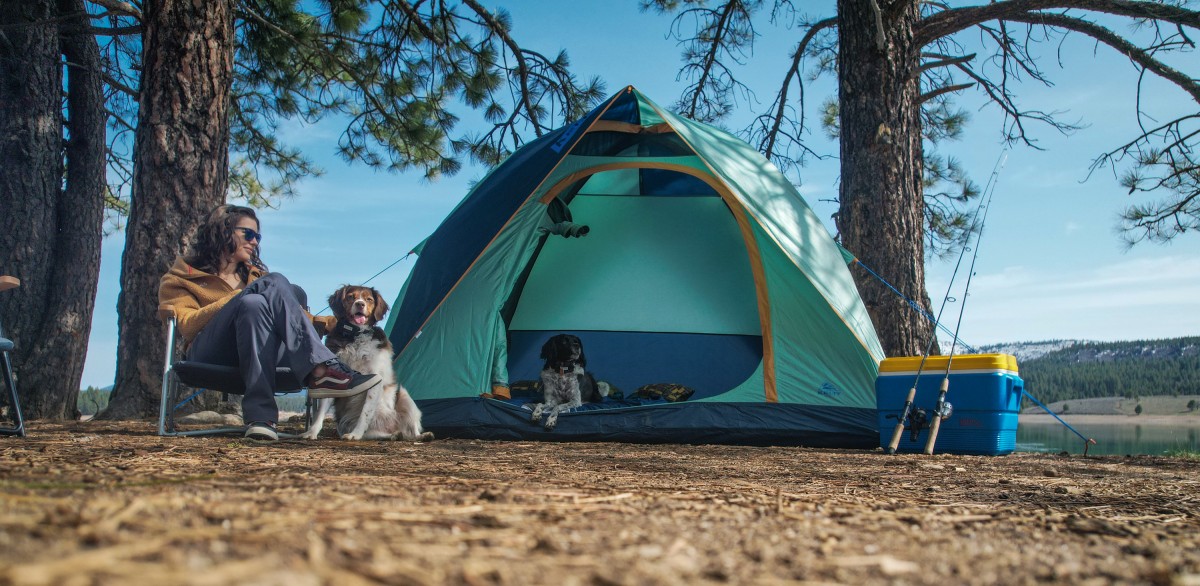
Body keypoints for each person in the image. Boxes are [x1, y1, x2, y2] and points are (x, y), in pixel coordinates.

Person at [158, 204, 382, 442]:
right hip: (210, 354)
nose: (254, 241)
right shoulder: (183, 276)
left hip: (259, 352)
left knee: (253, 304)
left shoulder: (255, 277)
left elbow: (294, 316)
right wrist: (238, 297)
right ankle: (321, 369)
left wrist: (333, 323)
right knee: (263, 288)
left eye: (258, 236)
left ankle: (261, 419)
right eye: (248, 234)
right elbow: (187, 324)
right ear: (221, 232)